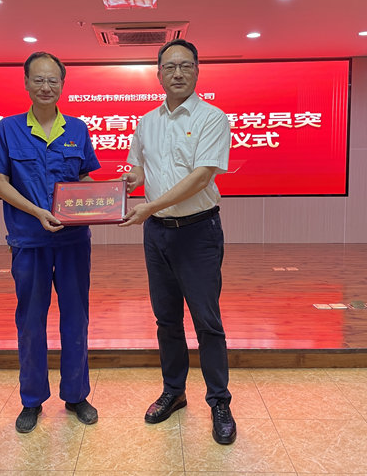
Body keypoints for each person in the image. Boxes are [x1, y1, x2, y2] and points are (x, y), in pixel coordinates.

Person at [120, 39, 236, 445]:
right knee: (166, 320)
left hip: (198, 233)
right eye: (169, 67)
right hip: (157, 235)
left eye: (185, 66)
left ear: (197, 71)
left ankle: (219, 401)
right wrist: (130, 180)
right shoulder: (146, 122)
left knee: (207, 322)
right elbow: (138, 168)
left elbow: (202, 177)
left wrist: (150, 205)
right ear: (158, 74)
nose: (178, 73)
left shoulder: (212, 118)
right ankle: (174, 391)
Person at [0, 51, 100, 433]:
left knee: (76, 317)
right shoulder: (7, 129)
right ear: (27, 83)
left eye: (53, 80)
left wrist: (110, 198)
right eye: (39, 79)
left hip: (73, 241)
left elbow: (84, 180)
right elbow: (0, 183)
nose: (46, 86)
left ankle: (76, 395)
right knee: (31, 321)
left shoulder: (77, 129)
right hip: (29, 240)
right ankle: (31, 400)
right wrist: (36, 211)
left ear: (62, 85)